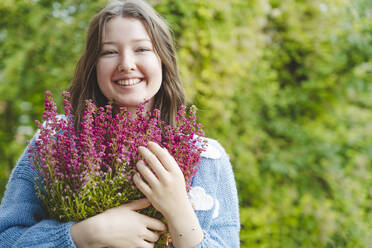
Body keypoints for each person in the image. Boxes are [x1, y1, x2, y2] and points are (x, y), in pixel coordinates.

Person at [0, 0, 240, 247]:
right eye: (109, 52)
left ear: (163, 60)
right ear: (93, 65)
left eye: (142, 49)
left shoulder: (207, 159)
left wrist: (179, 211)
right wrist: (85, 235)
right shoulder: (54, 142)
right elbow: (5, 239)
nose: (126, 64)